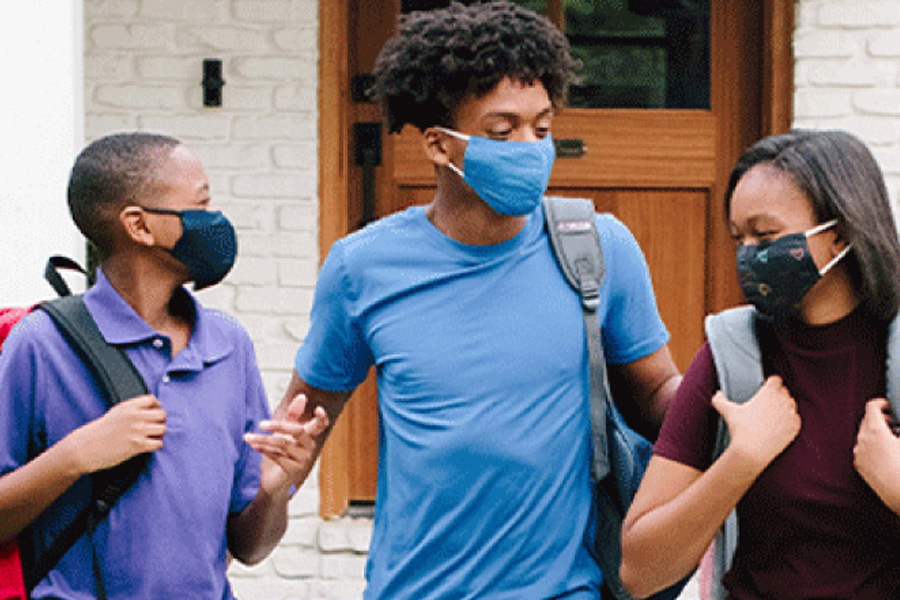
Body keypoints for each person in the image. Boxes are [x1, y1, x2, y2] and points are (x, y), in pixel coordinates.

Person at [279, 3, 681, 598]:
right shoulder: (363, 267)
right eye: (502, 131)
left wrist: (732, 391)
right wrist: (261, 490)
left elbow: (655, 393)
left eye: (541, 128)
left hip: (565, 588)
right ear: (440, 146)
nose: (530, 147)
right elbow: (301, 423)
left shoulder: (598, 247)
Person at [0, 132, 328, 598]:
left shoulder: (228, 344)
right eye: (201, 205)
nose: (214, 222)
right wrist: (75, 456)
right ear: (139, 225)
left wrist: (275, 489)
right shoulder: (41, 344)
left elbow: (249, 548)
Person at [619, 129, 900, 599]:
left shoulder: (894, 349)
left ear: (840, 236)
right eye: (739, 238)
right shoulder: (731, 353)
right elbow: (639, 571)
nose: (749, 255)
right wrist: (741, 459)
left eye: (766, 235)